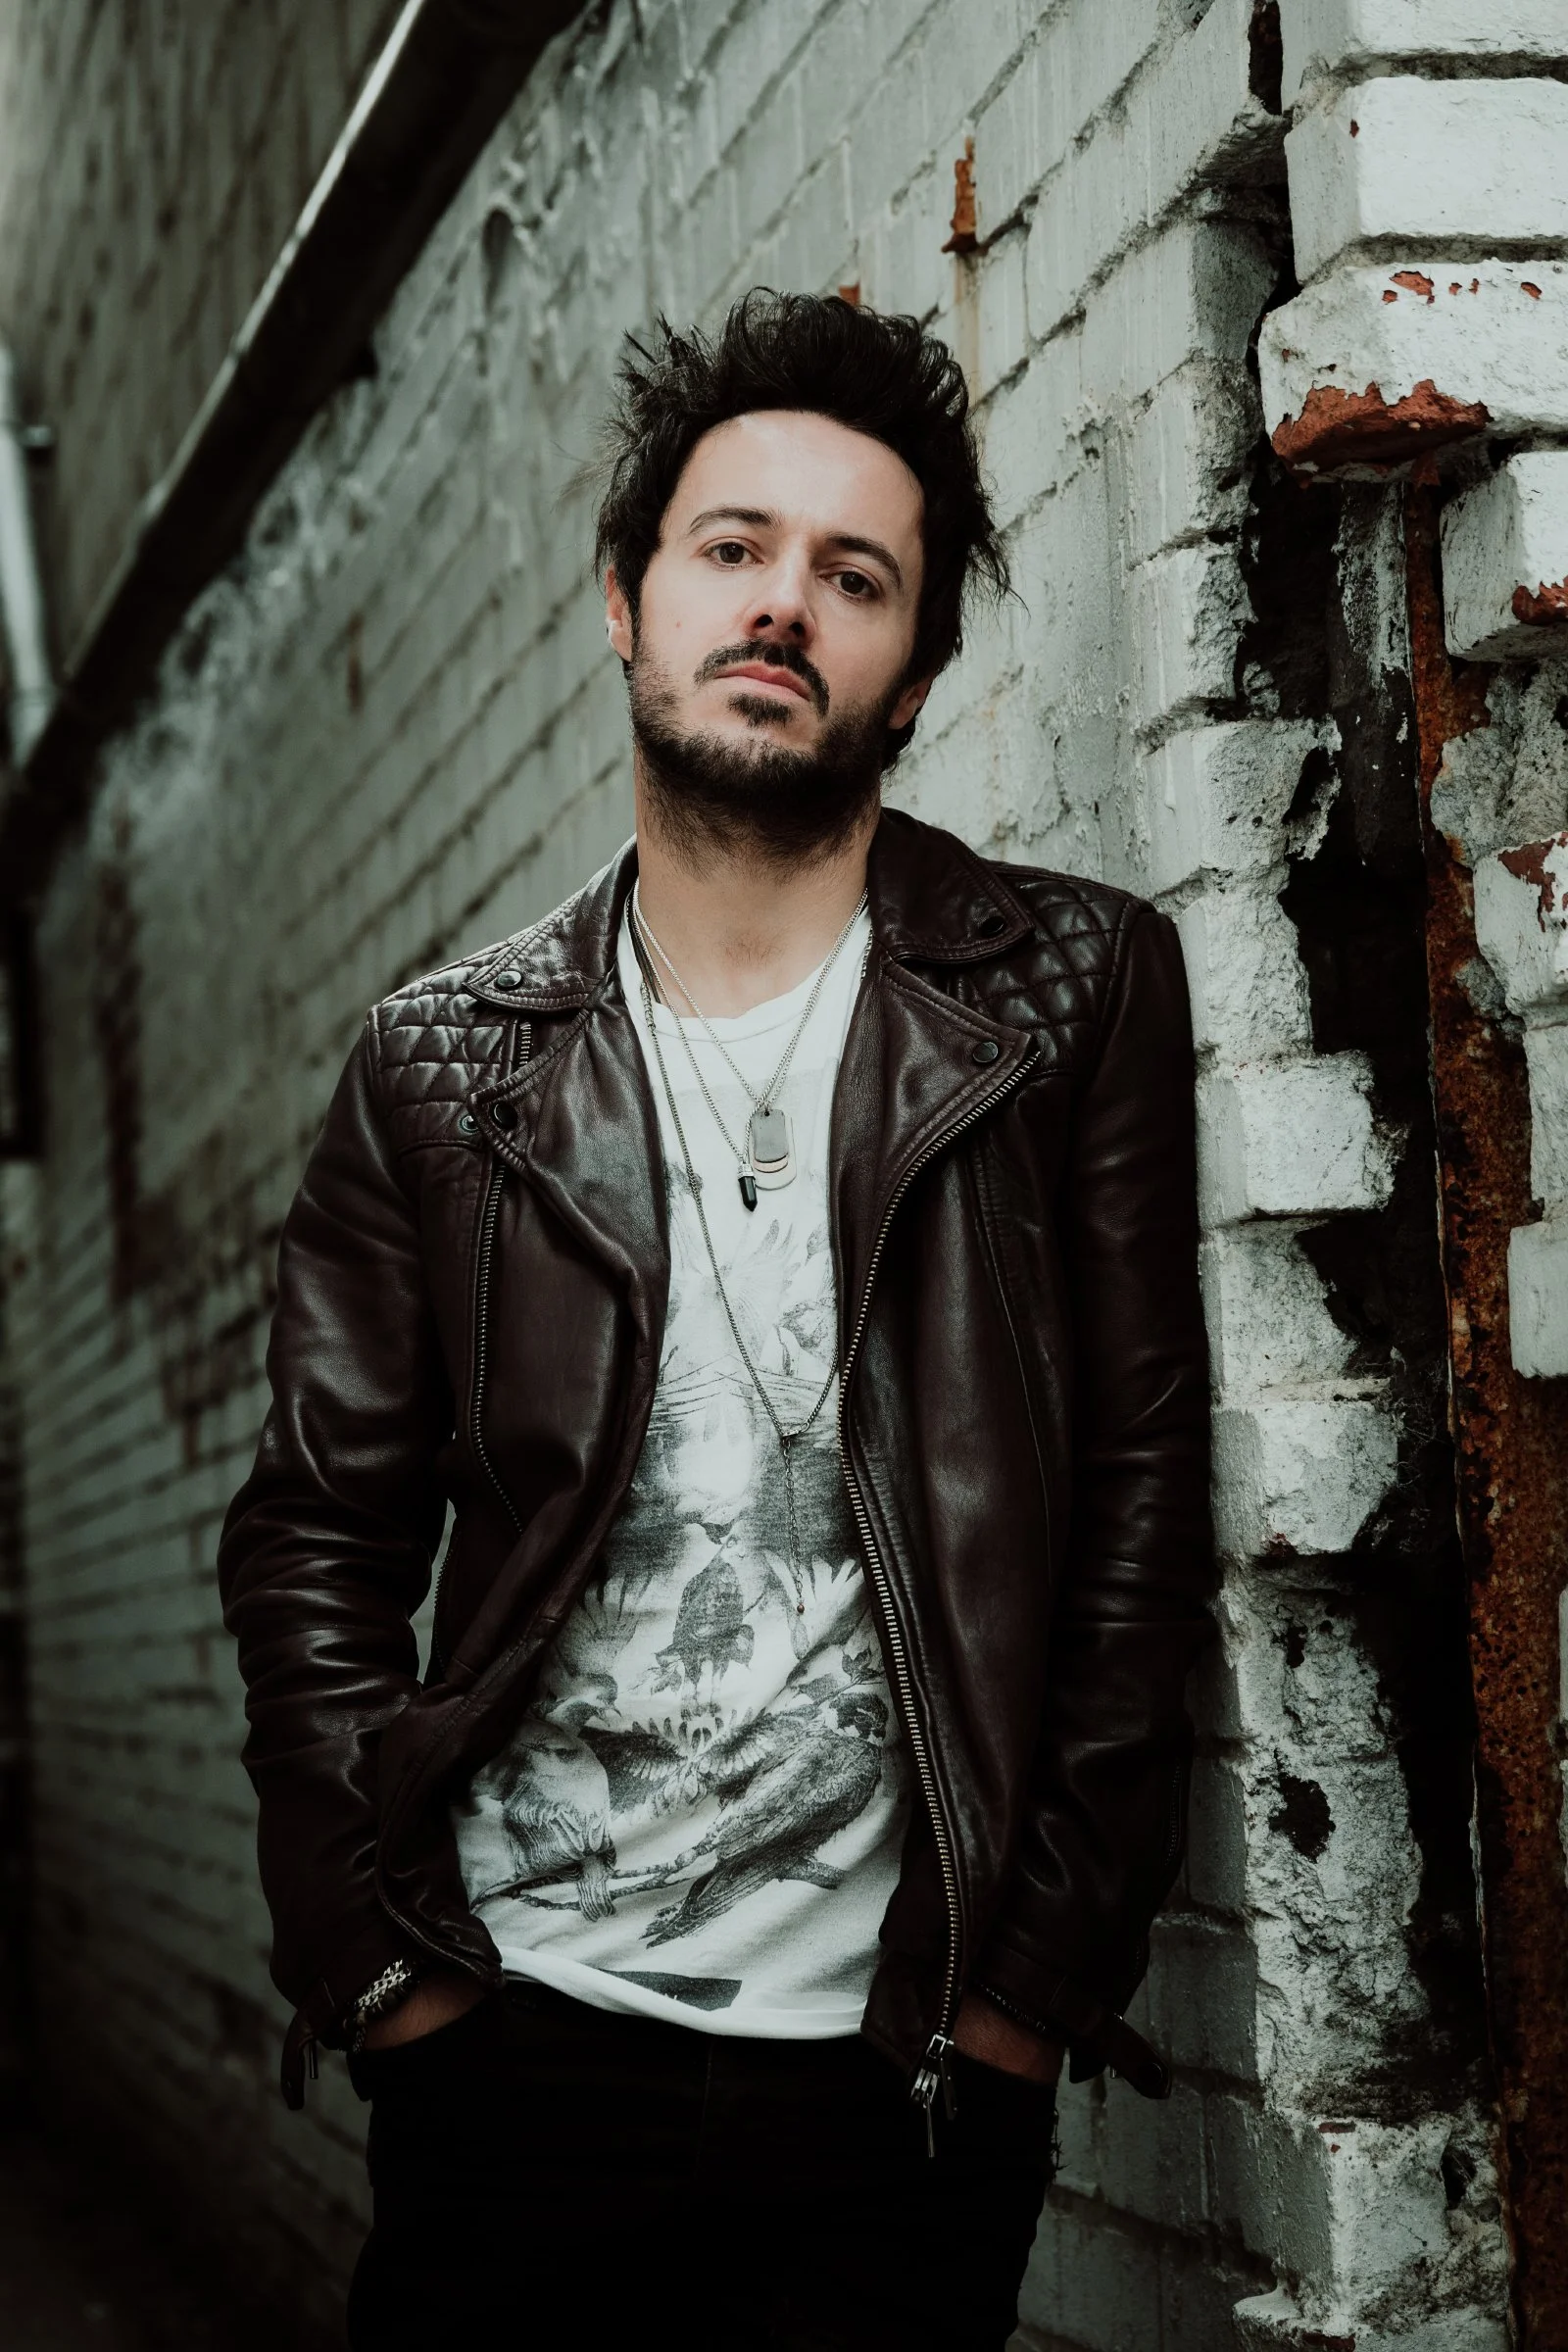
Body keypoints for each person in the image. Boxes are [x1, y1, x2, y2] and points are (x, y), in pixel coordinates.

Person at [219, 289, 1211, 2352]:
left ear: (913, 675)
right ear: (625, 599)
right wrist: (385, 1980)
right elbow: (316, 1536)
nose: (781, 605)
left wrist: (1026, 1996)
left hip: (901, 2065)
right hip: (512, 2040)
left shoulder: (1065, 997)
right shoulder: (441, 1067)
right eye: (731, 547)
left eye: (855, 576)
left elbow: (1135, 1517)